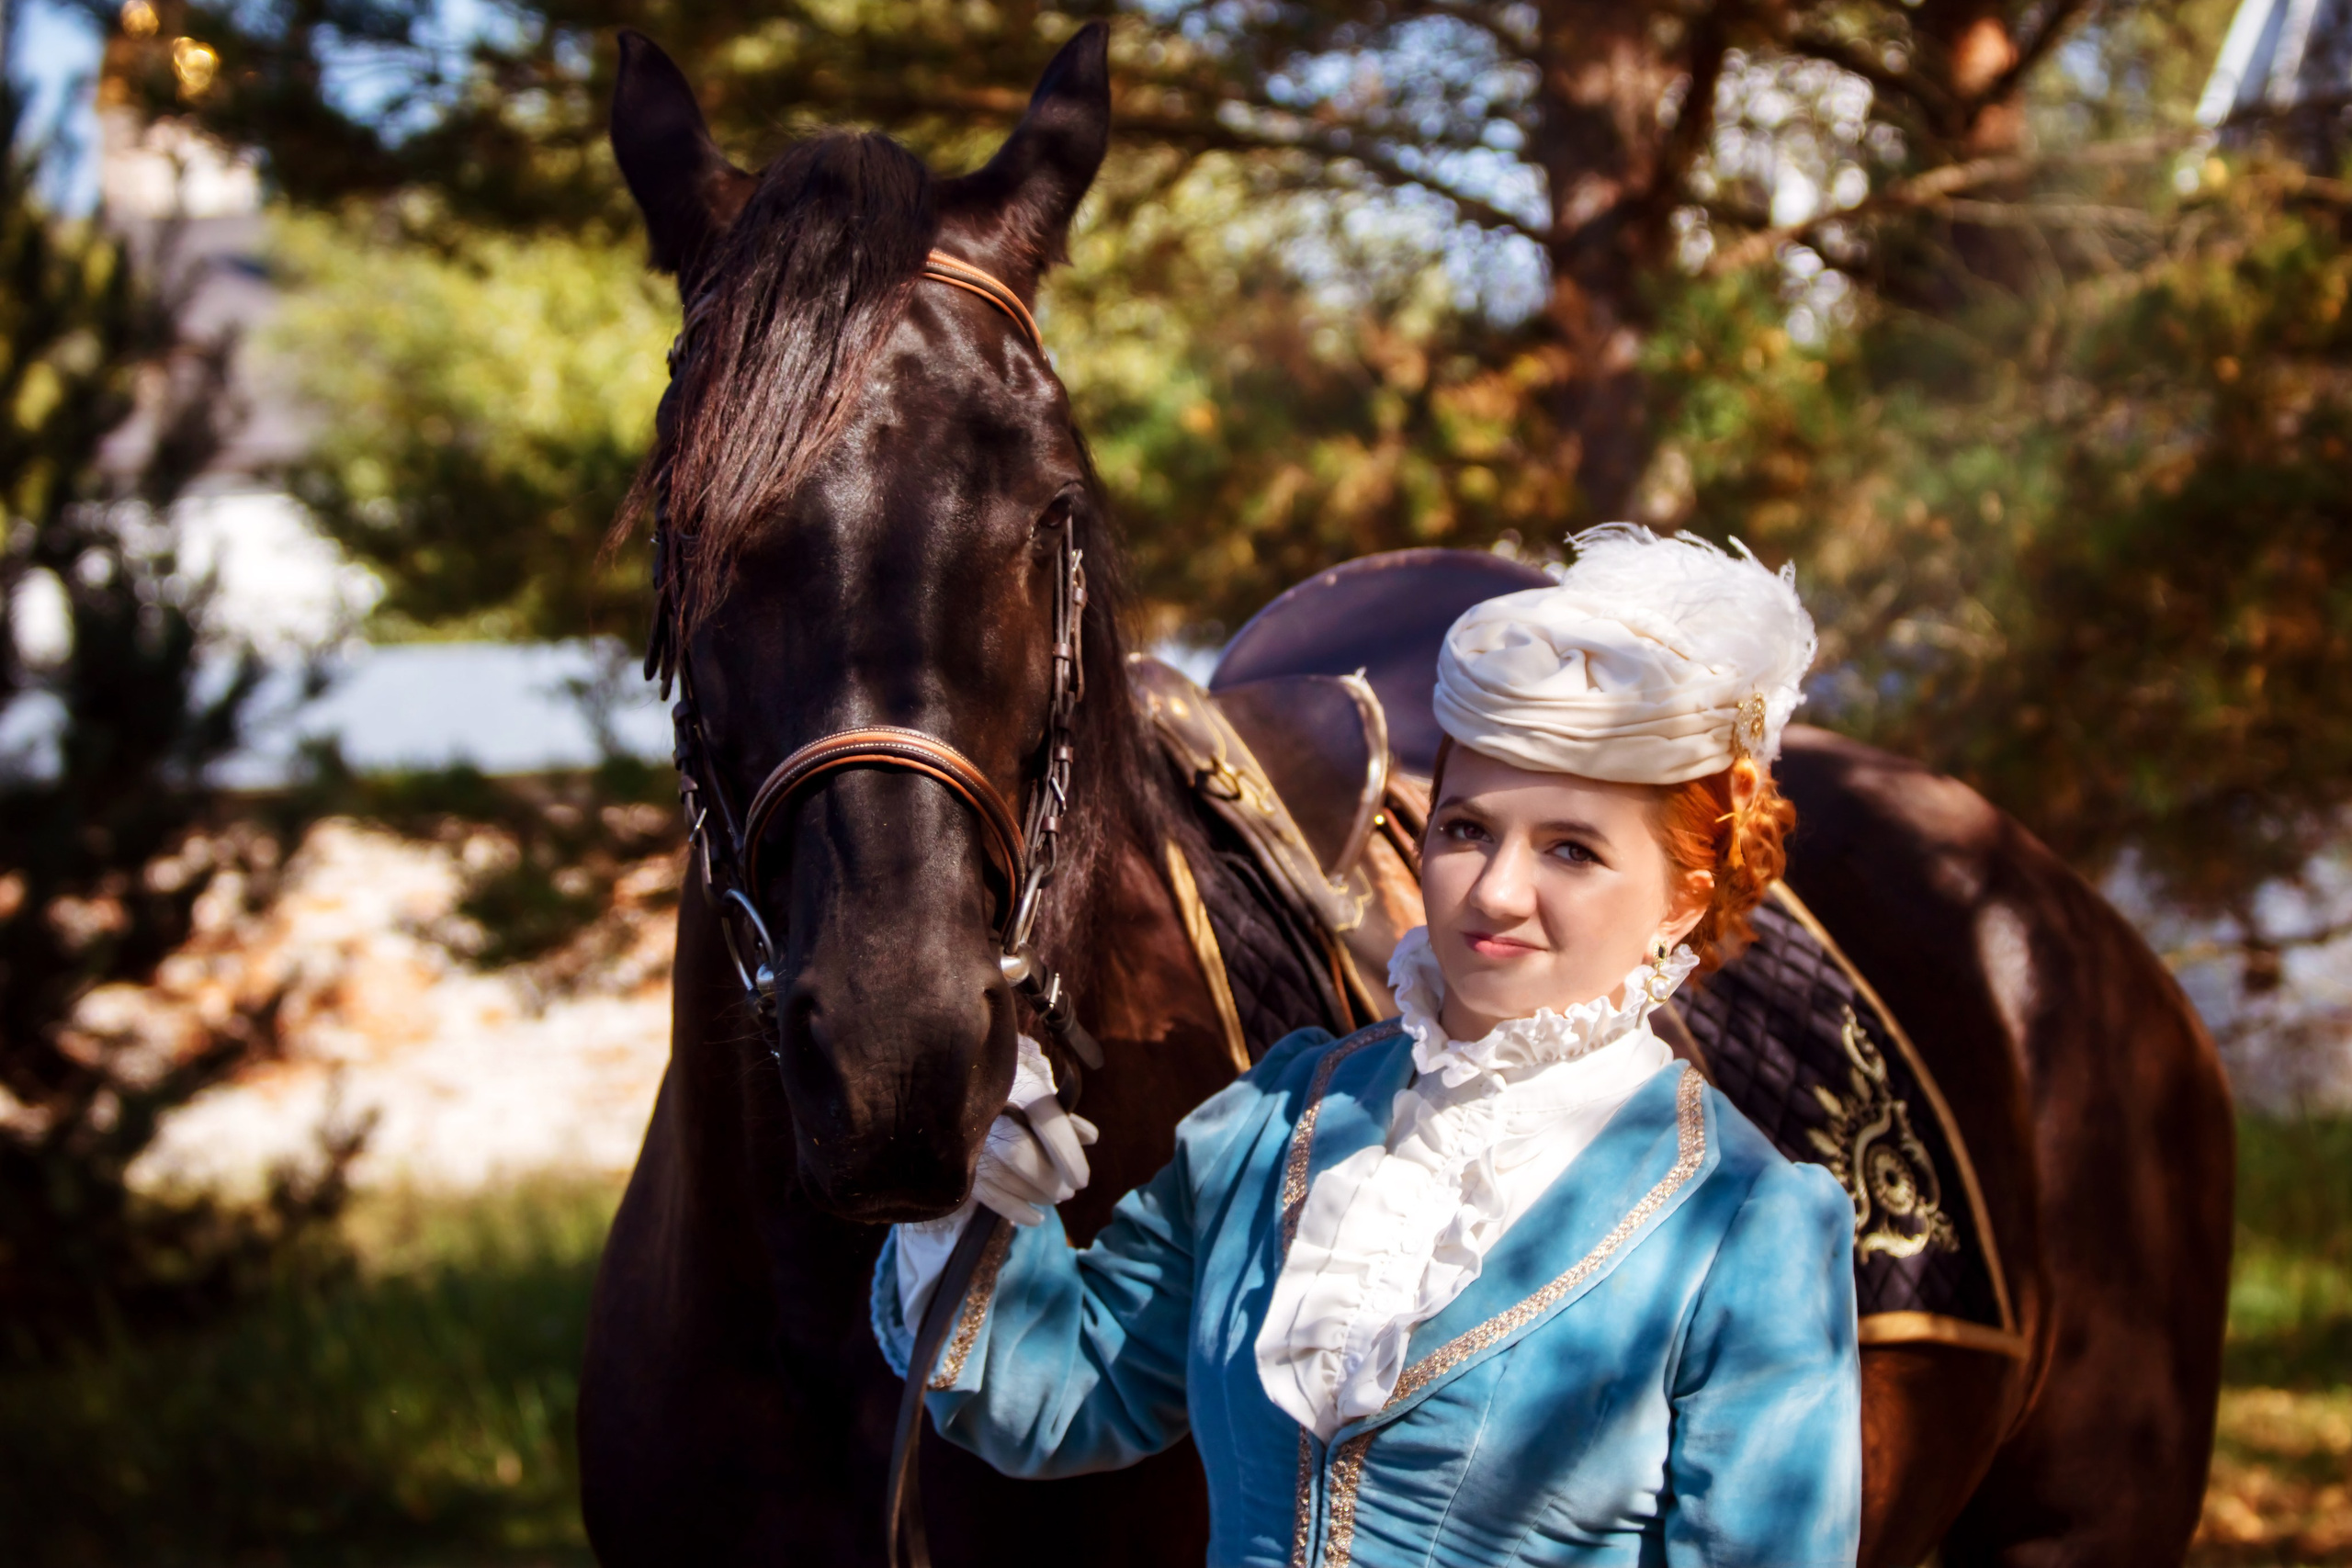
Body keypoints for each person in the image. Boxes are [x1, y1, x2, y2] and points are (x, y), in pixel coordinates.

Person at [872, 525, 1861, 1568]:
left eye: (1571, 849)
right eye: (1466, 829)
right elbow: (1058, 1394)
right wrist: (960, 1173)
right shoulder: (1276, 1117)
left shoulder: (1748, 1224)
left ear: (1681, 902)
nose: (1495, 892)